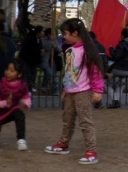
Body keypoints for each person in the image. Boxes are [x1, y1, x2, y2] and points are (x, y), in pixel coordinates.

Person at [45, 19, 105, 165]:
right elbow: (69, 72)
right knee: (68, 118)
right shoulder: (70, 50)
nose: (64, 36)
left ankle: (92, 151)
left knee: (85, 121)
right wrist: (66, 88)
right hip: (71, 91)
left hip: (84, 91)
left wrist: (98, 90)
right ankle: (63, 143)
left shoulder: (87, 51)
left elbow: (95, 72)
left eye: (65, 33)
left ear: (75, 33)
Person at [106, 29, 128, 109]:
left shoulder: (122, 44)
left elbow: (116, 57)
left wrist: (111, 49)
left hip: (119, 69)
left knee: (105, 83)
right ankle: (115, 102)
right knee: (120, 85)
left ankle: (115, 100)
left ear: (123, 36)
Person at [18, 26, 43, 91]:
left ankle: (30, 87)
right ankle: (25, 88)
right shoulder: (30, 39)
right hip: (27, 60)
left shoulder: (38, 40)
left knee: (32, 74)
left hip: (33, 61)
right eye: (42, 31)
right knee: (27, 74)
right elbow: (30, 50)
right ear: (38, 32)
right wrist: (39, 51)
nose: (43, 33)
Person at [41, 28, 62, 94]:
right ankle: (44, 85)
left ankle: (56, 90)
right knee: (49, 73)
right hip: (46, 60)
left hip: (53, 60)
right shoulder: (43, 40)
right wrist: (51, 43)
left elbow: (59, 49)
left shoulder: (55, 40)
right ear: (48, 34)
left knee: (54, 76)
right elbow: (45, 47)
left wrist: (55, 46)